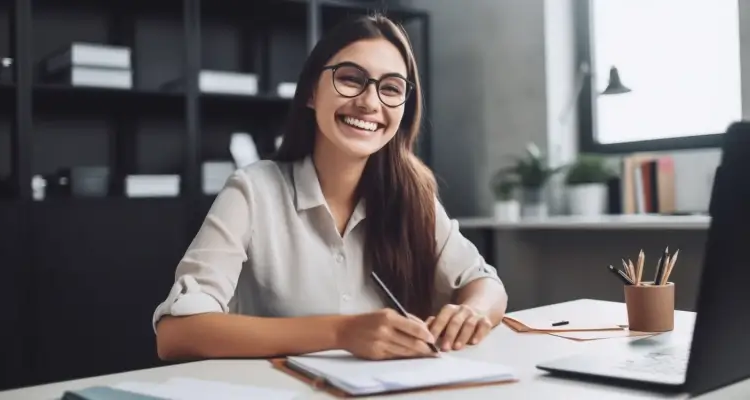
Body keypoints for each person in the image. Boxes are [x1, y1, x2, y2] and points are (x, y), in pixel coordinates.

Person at [153, 13, 507, 362]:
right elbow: (177, 333)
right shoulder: (253, 191)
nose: (370, 103)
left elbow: (484, 283)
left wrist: (472, 311)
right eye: (351, 79)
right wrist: (342, 332)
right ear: (310, 92)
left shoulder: (413, 195)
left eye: (390, 88)